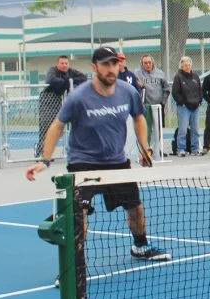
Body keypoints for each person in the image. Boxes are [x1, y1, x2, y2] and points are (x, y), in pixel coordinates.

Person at [26, 45, 169, 261]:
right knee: (79, 214)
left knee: (136, 208)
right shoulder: (78, 97)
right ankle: (74, 264)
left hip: (117, 163)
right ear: (94, 67)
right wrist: (45, 161)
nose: (111, 68)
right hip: (83, 164)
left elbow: (139, 118)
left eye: (114, 63)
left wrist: (144, 148)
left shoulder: (127, 91)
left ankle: (140, 246)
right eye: (105, 64)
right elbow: (57, 126)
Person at [37, 55, 87, 157]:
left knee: (59, 127)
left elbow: (83, 78)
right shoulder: (52, 71)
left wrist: (70, 80)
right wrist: (67, 82)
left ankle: (73, 149)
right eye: (62, 63)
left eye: (66, 63)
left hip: (60, 101)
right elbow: (51, 80)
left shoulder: (71, 72)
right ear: (57, 64)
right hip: (47, 101)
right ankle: (41, 152)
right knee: (46, 127)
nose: (64, 65)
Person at [136, 54, 169, 151]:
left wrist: (163, 102)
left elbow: (166, 89)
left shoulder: (160, 73)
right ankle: (146, 149)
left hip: (158, 106)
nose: (148, 64)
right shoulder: (137, 74)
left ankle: (158, 150)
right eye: (145, 63)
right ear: (142, 64)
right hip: (145, 106)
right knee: (146, 129)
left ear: (152, 63)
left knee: (158, 129)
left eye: (149, 62)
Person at [171, 56, 202, 156]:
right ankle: (181, 149)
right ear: (182, 66)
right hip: (184, 108)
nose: (187, 67)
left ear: (191, 66)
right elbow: (175, 92)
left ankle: (195, 149)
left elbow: (200, 90)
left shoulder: (196, 77)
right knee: (183, 130)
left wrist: (199, 102)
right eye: (185, 65)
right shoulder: (178, 77)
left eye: (189, 65)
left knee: (195, 130)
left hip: (195, 107)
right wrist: (182, 103)